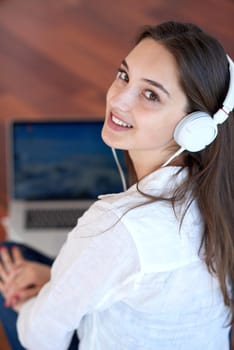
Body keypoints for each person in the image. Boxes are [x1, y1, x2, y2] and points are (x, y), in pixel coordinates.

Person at [0, 20, 233, 350]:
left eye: (150, 95)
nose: (118, 99)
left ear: (195, 128)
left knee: (8, 259)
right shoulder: (219, 194)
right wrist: (56, 281)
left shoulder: (116, 225)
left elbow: (40, 339)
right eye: (124, 75)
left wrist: (26, 301)